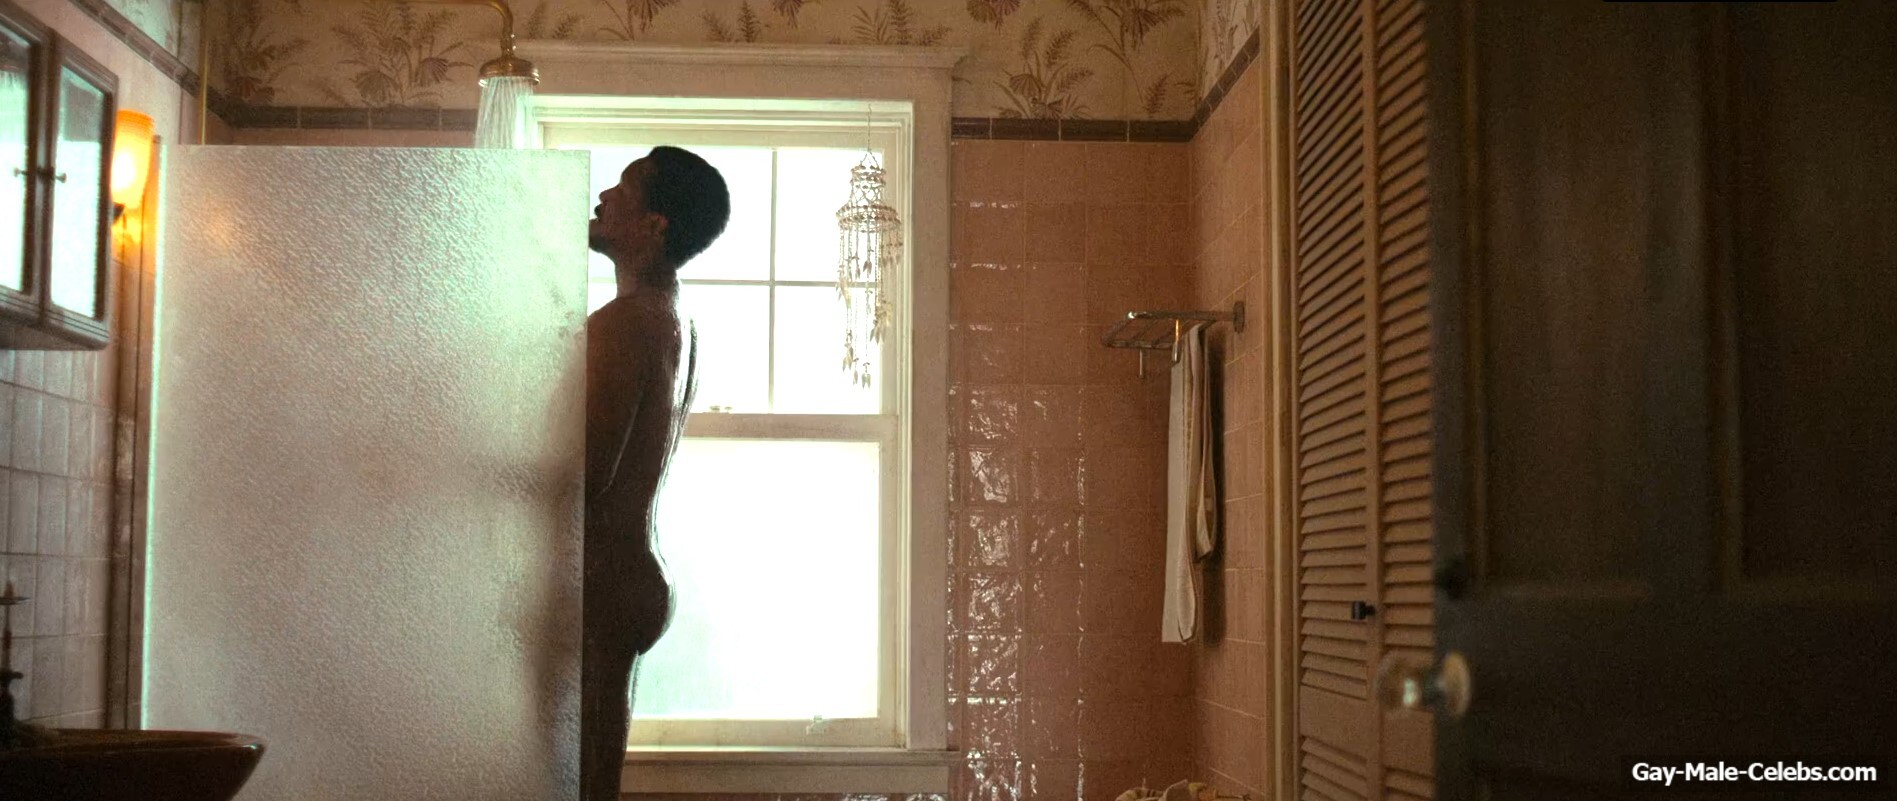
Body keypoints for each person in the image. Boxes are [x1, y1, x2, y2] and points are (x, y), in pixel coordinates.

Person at [582, 146, 729, 801]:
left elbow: (583, 473)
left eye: (622, 186)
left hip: (601, 582)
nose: (602, 197)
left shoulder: (624, 323)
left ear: (654, 223)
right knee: (591, 779)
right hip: (633, 571)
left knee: (578, 784)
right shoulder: (678, 319)